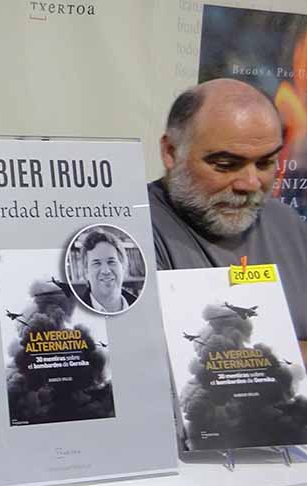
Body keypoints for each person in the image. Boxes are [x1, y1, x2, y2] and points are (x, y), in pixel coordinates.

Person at [149, 78, 307, 360]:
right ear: (171, 153)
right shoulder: (131, 229)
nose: (249, 183)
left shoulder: (287, 224)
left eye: (265, 163)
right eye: (226, 165)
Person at [77, 228, 137, 314]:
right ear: (86, 272)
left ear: (123, 266)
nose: (106, 271)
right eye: (96, 263)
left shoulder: (144, 308)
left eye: (111, 262)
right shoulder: (73, 315)